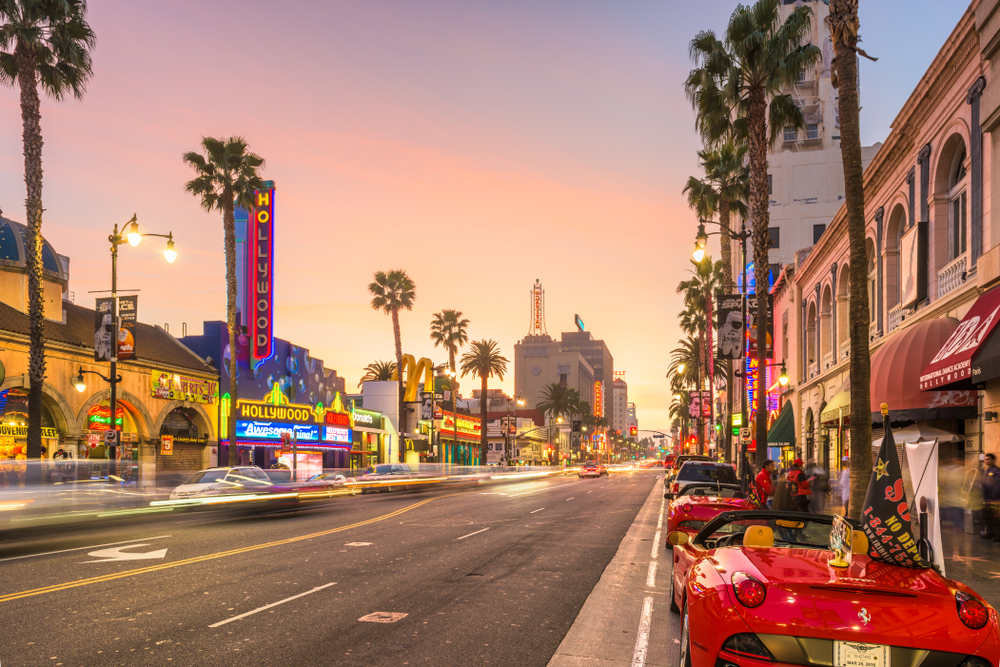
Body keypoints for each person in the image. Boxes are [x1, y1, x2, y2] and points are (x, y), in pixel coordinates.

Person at [981, 453, 1000, 540]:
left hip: (994, 498)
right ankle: (990, 532)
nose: (986, 461)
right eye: (985, 459)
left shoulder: (996, 471)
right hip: (987, 498)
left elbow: (997, 485)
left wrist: (993, 497)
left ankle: (998, 534)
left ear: (993, 460)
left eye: (988, 459)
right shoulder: (987, 470)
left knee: (995, 518)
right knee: (987, 516)